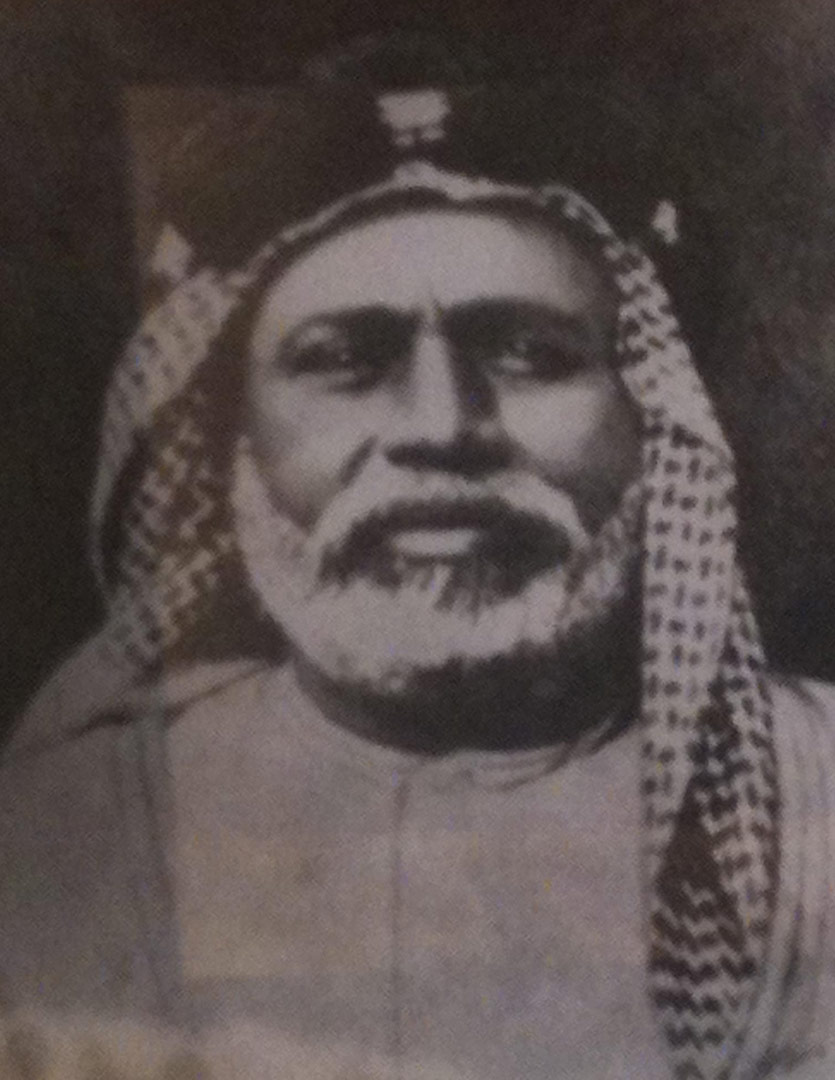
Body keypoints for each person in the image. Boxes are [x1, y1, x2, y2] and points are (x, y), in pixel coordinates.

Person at [2, 35, 834, 1080]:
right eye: (345, 360)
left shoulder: (818, 796)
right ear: (228, 438)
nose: (441, 428)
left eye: (527, 353)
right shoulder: (62, 831)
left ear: (651, 419)